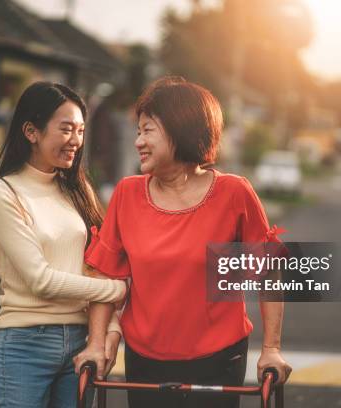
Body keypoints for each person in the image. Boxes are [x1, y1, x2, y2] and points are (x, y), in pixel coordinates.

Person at [74, 77, 292, 408]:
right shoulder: (127, 194)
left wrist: (271, 349)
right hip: (145, 358)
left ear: (181, 129)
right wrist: (96, 342)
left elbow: (269, 272)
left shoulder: (234, 193)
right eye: (138, 131)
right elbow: (106, 275)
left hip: (219, 357)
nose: (138, 142)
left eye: (148, 130)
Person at [0, 82, 126, 408]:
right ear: (31, 131)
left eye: (81, 130)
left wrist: (108, 332)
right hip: (25, 345)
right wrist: (118, 291)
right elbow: (40, 281)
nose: (76, 141)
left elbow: (94, 265)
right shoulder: (3, 195)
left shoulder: (77, 190)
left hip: (79, 342)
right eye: (66, 129)